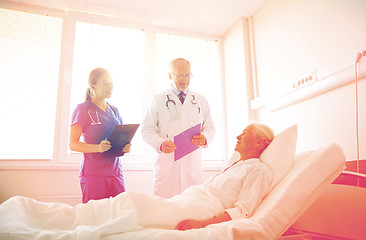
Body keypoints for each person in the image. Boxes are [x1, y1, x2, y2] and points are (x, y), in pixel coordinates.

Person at [0, 123, 274, 239]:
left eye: (245, 133)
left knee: (132, 203)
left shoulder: (258, 170)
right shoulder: (235, 165)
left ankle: (45, 224)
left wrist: (202, 225)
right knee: (128, 202)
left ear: (261, 142)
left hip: (202, 208)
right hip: (189, 198)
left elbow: (242, 211)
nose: (238, 136)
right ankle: (36, 216)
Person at [141, 58, 215, 198]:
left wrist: (205, 138)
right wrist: (160, 144)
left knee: (191, 207)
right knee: (164, 210)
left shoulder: (200, 100)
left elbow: (210, 127)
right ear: (170, 75)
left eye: (188, 75)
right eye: (180, 75)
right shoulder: (157, 100)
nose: (185, 79)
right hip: (167, 165)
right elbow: (147, 130)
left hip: (191, 166)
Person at [69, 68, 131, 203]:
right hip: (93, 174)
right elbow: (73, 144)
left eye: (111, 82)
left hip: (115, 173)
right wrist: (98, 148)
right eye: (105, 83)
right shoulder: (83, 109)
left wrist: (126, 147)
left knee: (120, 214)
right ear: (92, 86)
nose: (110, 87)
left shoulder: (115, 111)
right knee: (94, 217)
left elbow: (120, 140)